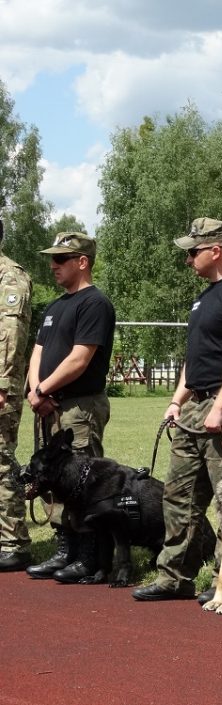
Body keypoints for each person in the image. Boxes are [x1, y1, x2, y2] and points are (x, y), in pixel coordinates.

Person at [133, 218, 222, 602]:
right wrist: (178, 400)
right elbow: (196, 358)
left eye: (192, 251)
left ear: (216, 250)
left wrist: (219, 407)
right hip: (196, 406)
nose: (188, 259)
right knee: (178, 494)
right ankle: (174, 575)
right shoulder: (205, 297)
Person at [24, 231, 116, 584]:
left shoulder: (95, 304)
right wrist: (36, 389)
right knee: (56, 480)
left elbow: (80, 359)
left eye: (61, 259)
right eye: (53, 259)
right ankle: (65, 549)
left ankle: (90, 555)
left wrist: (43, 388)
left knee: (83, 481)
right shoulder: (56, 305)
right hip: (49, 405)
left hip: (79, 407)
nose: (53, 265)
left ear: (82, 262)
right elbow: (38, 352)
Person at [0, 218, 33, 572]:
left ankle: (13, 541)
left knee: (1, 461)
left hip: (0, 384)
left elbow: (10, 336)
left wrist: (2, 385)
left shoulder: (10, 277)